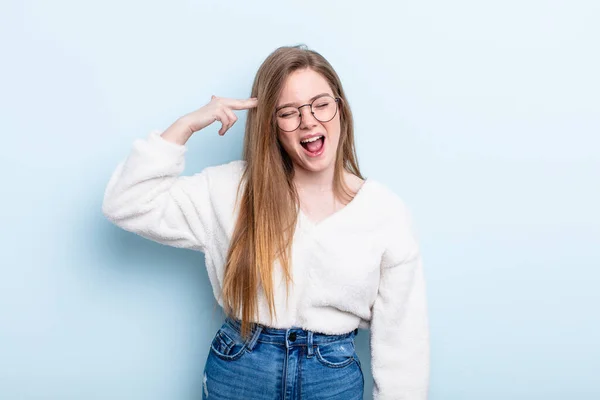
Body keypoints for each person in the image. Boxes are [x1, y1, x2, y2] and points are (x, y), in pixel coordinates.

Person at [102, 44, 430, 400]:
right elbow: (127, 202)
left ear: (341, 109)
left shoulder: (384, 212)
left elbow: (404, 342)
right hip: (241, 370)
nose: (309, 121)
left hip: (331, 377)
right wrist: (186, 125)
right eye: (288, 112)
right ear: (271, 126)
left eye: (321, 104)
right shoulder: (231, 190)